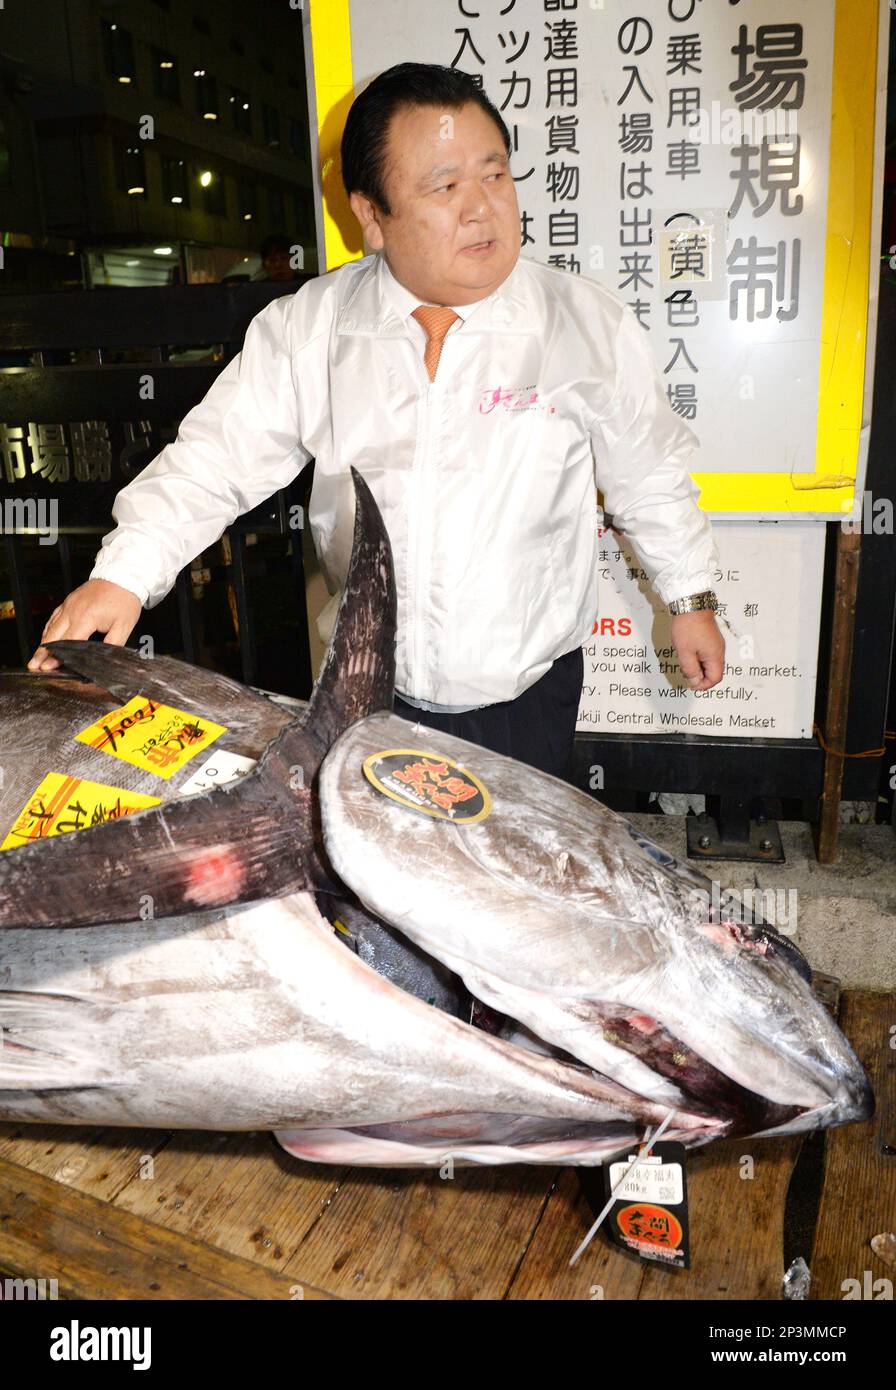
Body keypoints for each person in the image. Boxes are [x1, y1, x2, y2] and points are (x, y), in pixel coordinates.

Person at [28, 61, 725, 786]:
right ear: (371, 212)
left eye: (495, 175)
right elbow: (216, 460)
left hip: (526, 693)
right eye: (444, 186)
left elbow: (648, 474)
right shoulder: (313, 328)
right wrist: (123, 576)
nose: (483, 208)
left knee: (501, 882)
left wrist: (691, 599)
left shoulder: (582, 322)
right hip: (361, 693)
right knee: (372, 883)